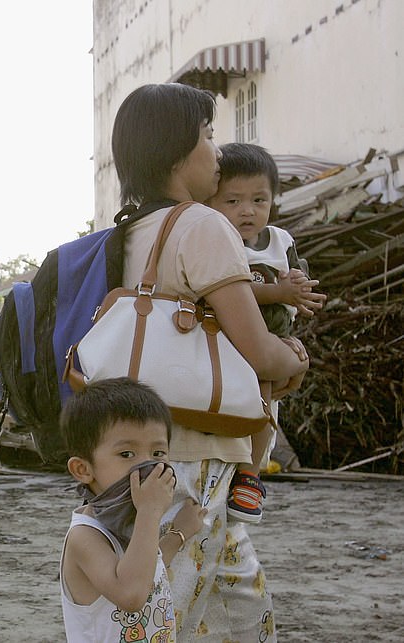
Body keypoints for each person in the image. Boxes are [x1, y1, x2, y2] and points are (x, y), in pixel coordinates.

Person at [109, 83, 310, 642]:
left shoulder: (131, 230)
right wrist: (294, 357)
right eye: (209, 136)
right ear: (178, 151)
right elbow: (259, 349)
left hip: (148, 452)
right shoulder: (202, 225)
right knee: (169, 618)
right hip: (196, 458)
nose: (217, 154)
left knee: (234, 610)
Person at [207, 142, 326, 523]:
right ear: (212, 201)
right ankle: (246, 476)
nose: (247, 211)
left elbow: (296, 277)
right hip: (232, 342)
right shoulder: (216, 240)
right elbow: (230, 290)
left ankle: (250, 478)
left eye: (259, 200)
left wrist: (300, 289)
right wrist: (279, 291)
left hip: (272, 341)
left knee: (266, 410)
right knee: (257, 405)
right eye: (233, 201)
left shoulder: (280, 241)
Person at [59, 377, 206, 643]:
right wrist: (150, 511)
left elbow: (149, 564)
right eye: (127, 454)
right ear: (83, 469)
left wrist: (179, 534)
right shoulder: (85, 536)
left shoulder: (129, 519)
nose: (147, 465)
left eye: (159, 453)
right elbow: (131, 594)